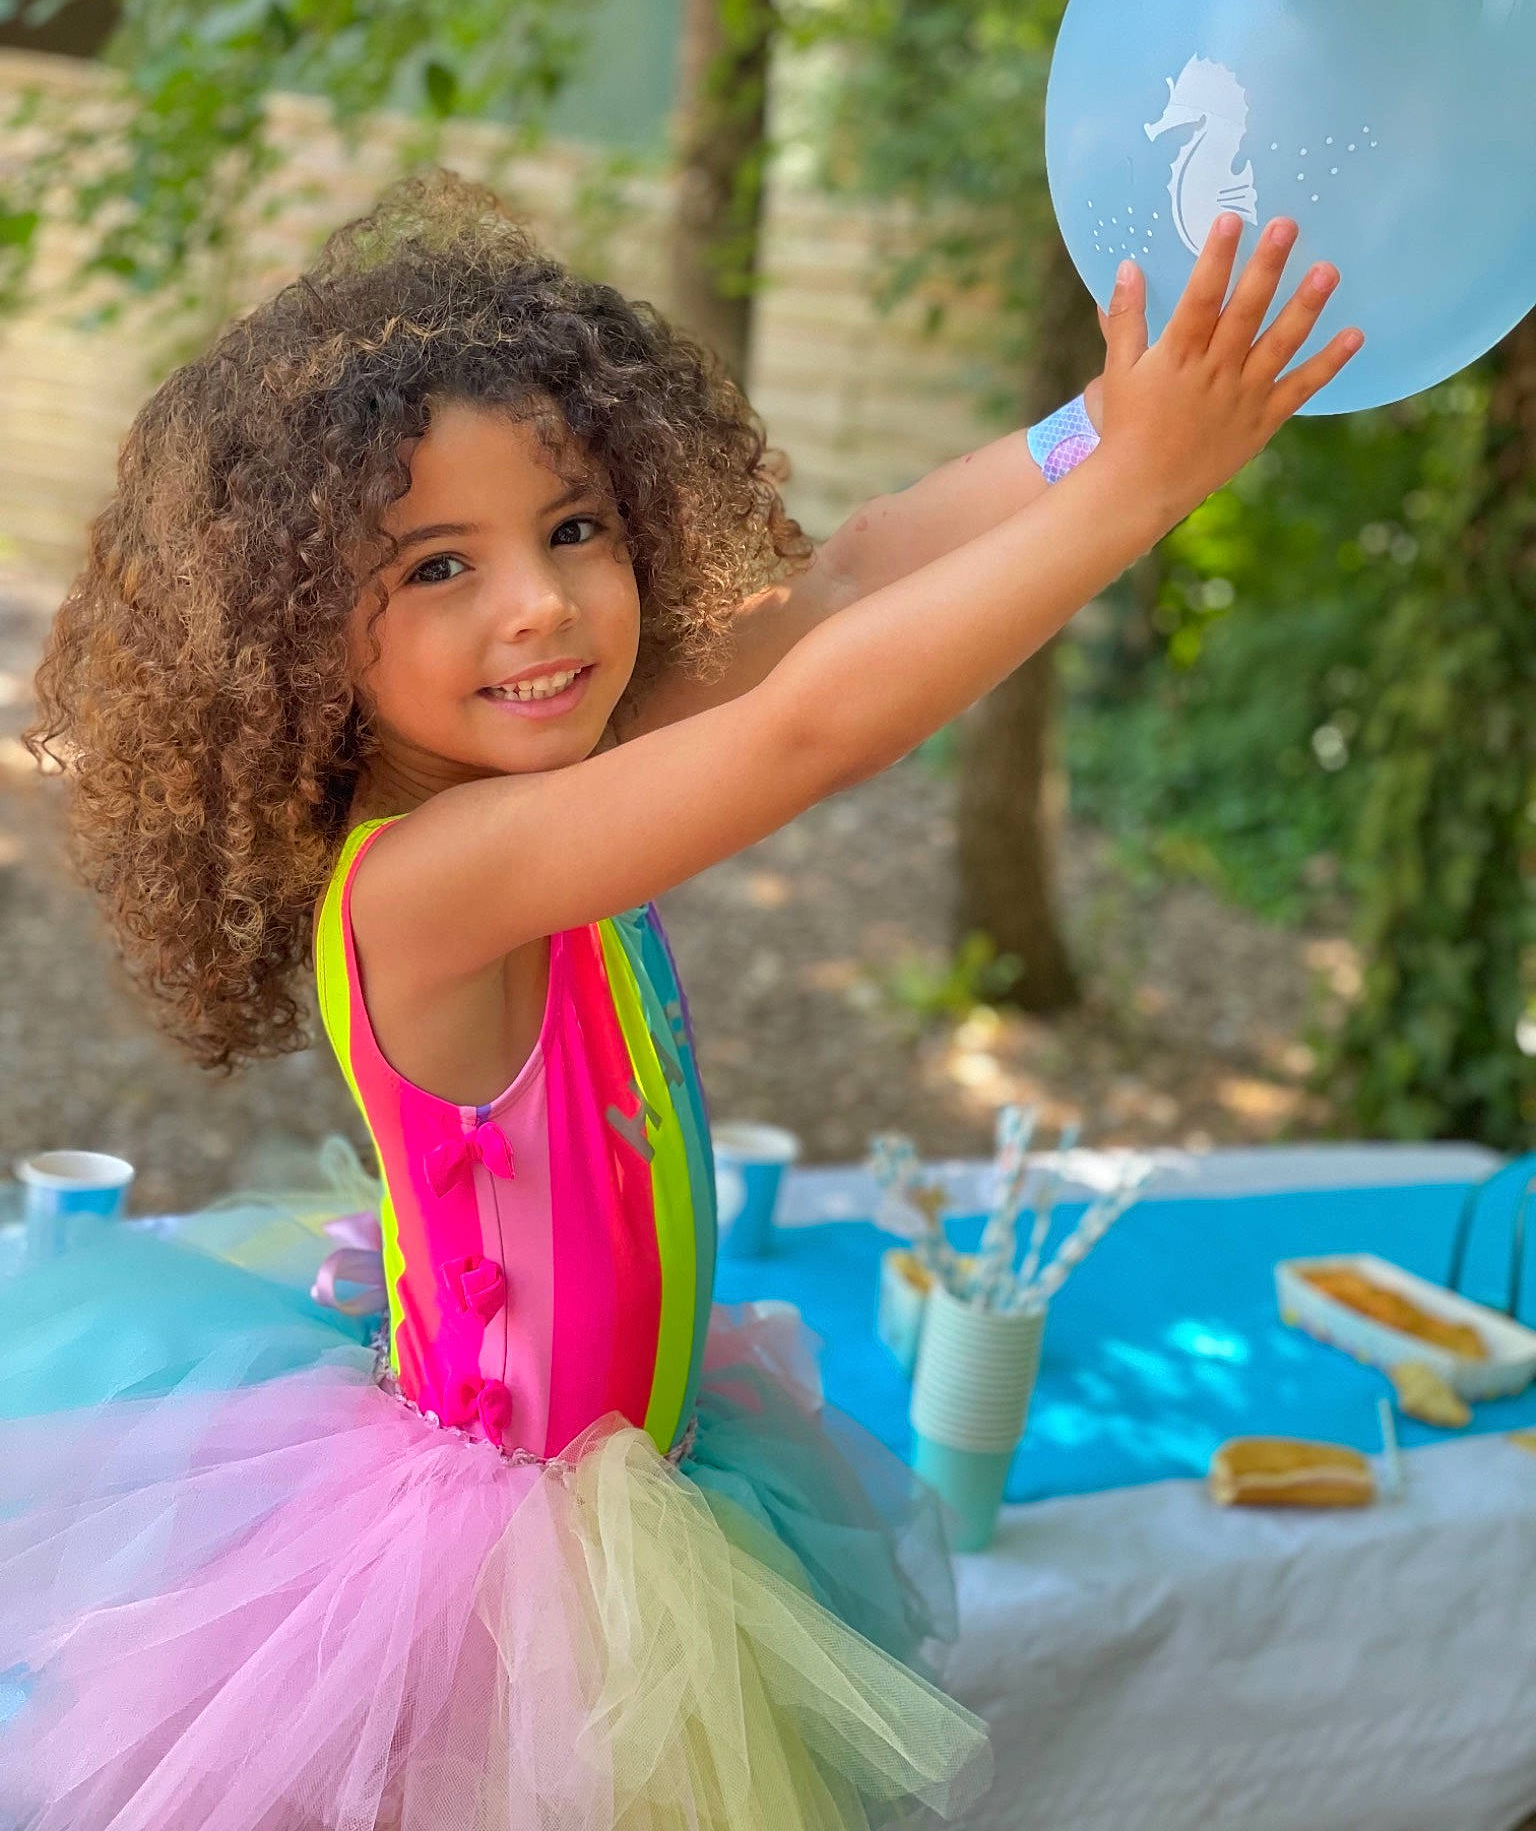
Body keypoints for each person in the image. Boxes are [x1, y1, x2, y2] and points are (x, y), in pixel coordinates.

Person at [0, 171, 1360, 1831]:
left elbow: (855, 577)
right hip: (514, 1577)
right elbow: (813, 731)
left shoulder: (573, 753)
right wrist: (1135, 496)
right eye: (439, 567)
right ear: (301, 639)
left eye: (574, 529)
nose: (540, 604)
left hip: (643, 1479)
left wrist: (1097, 423)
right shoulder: (435, 880)